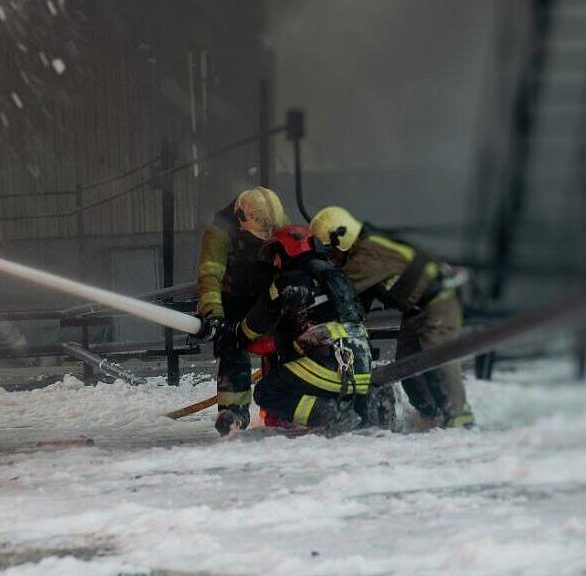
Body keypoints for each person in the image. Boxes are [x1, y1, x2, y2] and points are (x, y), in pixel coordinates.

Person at [309, 206, 474, 429]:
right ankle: (431, 414)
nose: (330, 258)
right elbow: (359, 301)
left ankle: (459, 416)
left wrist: (311, 309)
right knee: (406, 363)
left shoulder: (369, 254)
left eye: (330, 251)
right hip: (414, 311)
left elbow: (343, 289)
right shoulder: (363, 251)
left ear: (342, 238)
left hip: (439, 303)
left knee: (437, 351)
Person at [202, 224, 370, 433]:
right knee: (305, 376)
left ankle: (332, 414)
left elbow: (251, 329)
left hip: (328, 366)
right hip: (360, 367)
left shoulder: (288, 283)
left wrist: (230, 331)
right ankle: (367, 407)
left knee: (267, 392)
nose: (274, 262)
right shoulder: (337, 276)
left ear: (286, 252)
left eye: (276, 255)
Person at [193, 186, 286, 435]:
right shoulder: (219, 234)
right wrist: (214, 316)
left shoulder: (278, 224)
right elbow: (209, 277)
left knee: (285, 346)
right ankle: (233, 413)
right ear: (241, 219)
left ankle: (282, 406)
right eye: (259, 236)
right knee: (232, 347)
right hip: (232, 301)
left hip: (270, 299)